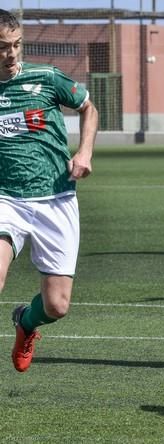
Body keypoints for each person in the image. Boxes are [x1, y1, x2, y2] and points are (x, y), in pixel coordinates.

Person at [0, 9, 98, 372]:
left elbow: (88, 107)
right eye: (2, 47)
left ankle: (26, 322)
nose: (11, 54)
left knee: (57, 306)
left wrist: (84, 151)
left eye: (16, 45)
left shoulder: (46, 77)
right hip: (6, 199)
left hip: (56, 197)